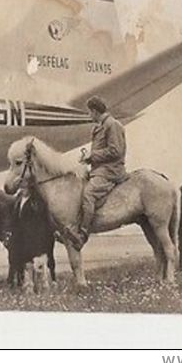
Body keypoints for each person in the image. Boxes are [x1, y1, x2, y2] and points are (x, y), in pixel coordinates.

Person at [66, 95, 127, 250]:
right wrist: (88, 160)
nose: (88, 115)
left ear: (95, 111)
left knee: (88, 194)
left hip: (111, 171)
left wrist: (92, 156)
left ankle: (82, 235)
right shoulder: (100, 126)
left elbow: (116, 151)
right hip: (99, 169)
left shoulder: (113, 125)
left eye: (89, 112)